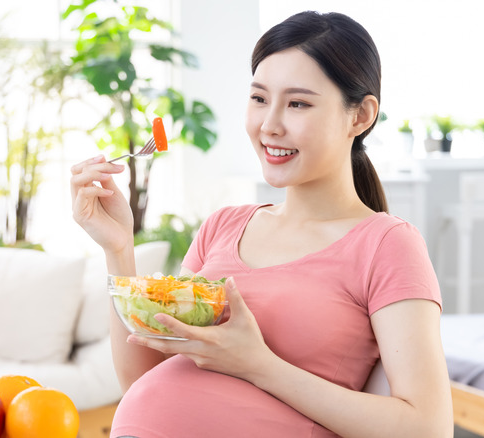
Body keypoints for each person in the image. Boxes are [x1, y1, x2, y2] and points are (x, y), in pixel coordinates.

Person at [70, 10, 453, 438]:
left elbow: (428, 428)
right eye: (258, 98)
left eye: (298, 103)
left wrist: (260, 366)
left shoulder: (386, 245)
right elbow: (142, 382)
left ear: (360, 116)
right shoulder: (222, 227)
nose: (269, 126)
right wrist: (118, 249)